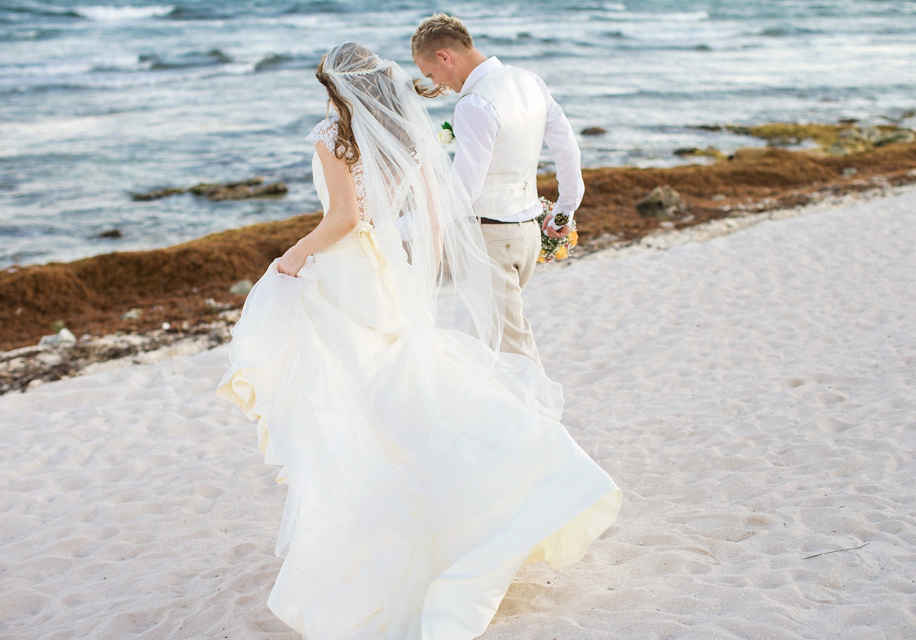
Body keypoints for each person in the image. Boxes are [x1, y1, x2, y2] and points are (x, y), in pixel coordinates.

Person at [217, 42, 620, 640]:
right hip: (385, 273)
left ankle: (385, 529)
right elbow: (430, 213)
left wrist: (291, 256)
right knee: (398, 388)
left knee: (351, 400)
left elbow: (344, 219)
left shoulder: (333, 133)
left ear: (335, 86)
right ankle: (457, 511)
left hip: (347, 272)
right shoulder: (404, 132)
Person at [411, 13, 585, 369]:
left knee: (512, 347)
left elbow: (463, 191)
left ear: (445, 56)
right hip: (528, 233)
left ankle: (542, 421)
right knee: (495, 342)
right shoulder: (529, 81)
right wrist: (564, 210)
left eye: (431, 74)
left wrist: (405, 227)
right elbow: (568, 150)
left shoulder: (475, 104)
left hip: (492, 240)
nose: (437, 84)